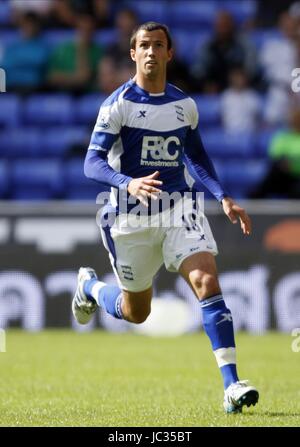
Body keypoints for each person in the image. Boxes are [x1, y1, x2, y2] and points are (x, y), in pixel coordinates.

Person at [72, 22, 259, 413]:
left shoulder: (184, 105)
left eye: (159, 45)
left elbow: (196, 155)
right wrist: (128, 183)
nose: (152, 51)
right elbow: (91, 163)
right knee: (137, 312)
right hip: (131, 220)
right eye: (144, 45)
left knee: (206, 279)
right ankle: (89, 288)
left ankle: (231, 384)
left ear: (170, 54)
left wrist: (222, 196)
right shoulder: (118, 104)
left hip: (179, 209)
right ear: (133, 54)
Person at [250, 108, 300, 198]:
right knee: (273, 171)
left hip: (297, 177)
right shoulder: (282, 136)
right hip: (283, 175)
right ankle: (255, 201)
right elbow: (274, 155)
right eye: (295, 120)